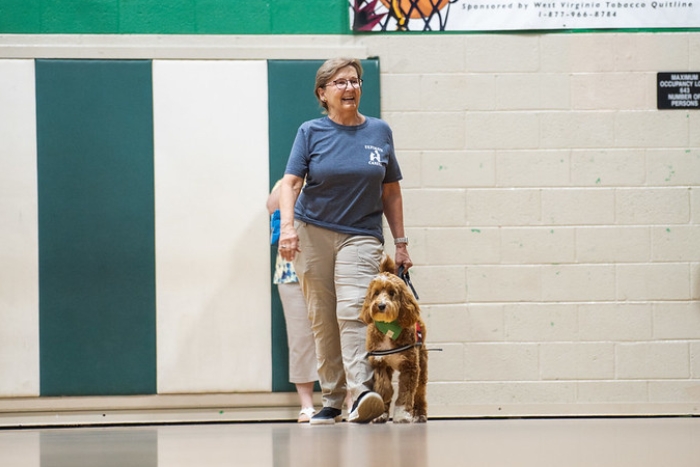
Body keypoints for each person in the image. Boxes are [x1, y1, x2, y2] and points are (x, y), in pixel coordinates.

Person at [277, 57, 413, 425]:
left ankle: (361, 393)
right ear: (323, 93)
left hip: (362, 234)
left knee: (353, 309)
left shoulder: (379, 132)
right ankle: (333, 399)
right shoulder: (311, 132)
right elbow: (290, 184)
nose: (350, 88)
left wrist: (400, 242)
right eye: (340, 82)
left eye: (355, 81)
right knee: (322, 317)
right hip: (312, 230)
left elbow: (391, 191)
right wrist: (287, 228)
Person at [267, 180, 318, 423]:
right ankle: (306, 405)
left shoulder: (331, 177)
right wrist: (292, 186)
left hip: (327, 270)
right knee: (300, 338)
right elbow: (271, 206)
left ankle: (349, 400)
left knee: (342, 336)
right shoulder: (287, 183)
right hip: (290, 274)